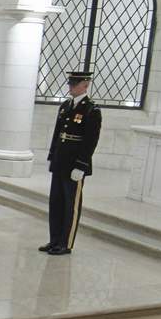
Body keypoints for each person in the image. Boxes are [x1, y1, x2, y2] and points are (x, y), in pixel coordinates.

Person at [40, 70, 101, 256]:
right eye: (70, 83)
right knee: (56, 202)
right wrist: (52, 156)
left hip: (75, 164)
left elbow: (91, 141)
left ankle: (66, 243)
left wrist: (81, 165)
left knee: (70, 205)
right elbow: (58, 134)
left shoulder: (91, 109)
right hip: (60, 162)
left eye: (75, 84)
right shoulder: (66, 106)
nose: (71, 87)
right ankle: (54, 239)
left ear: (85, 84)